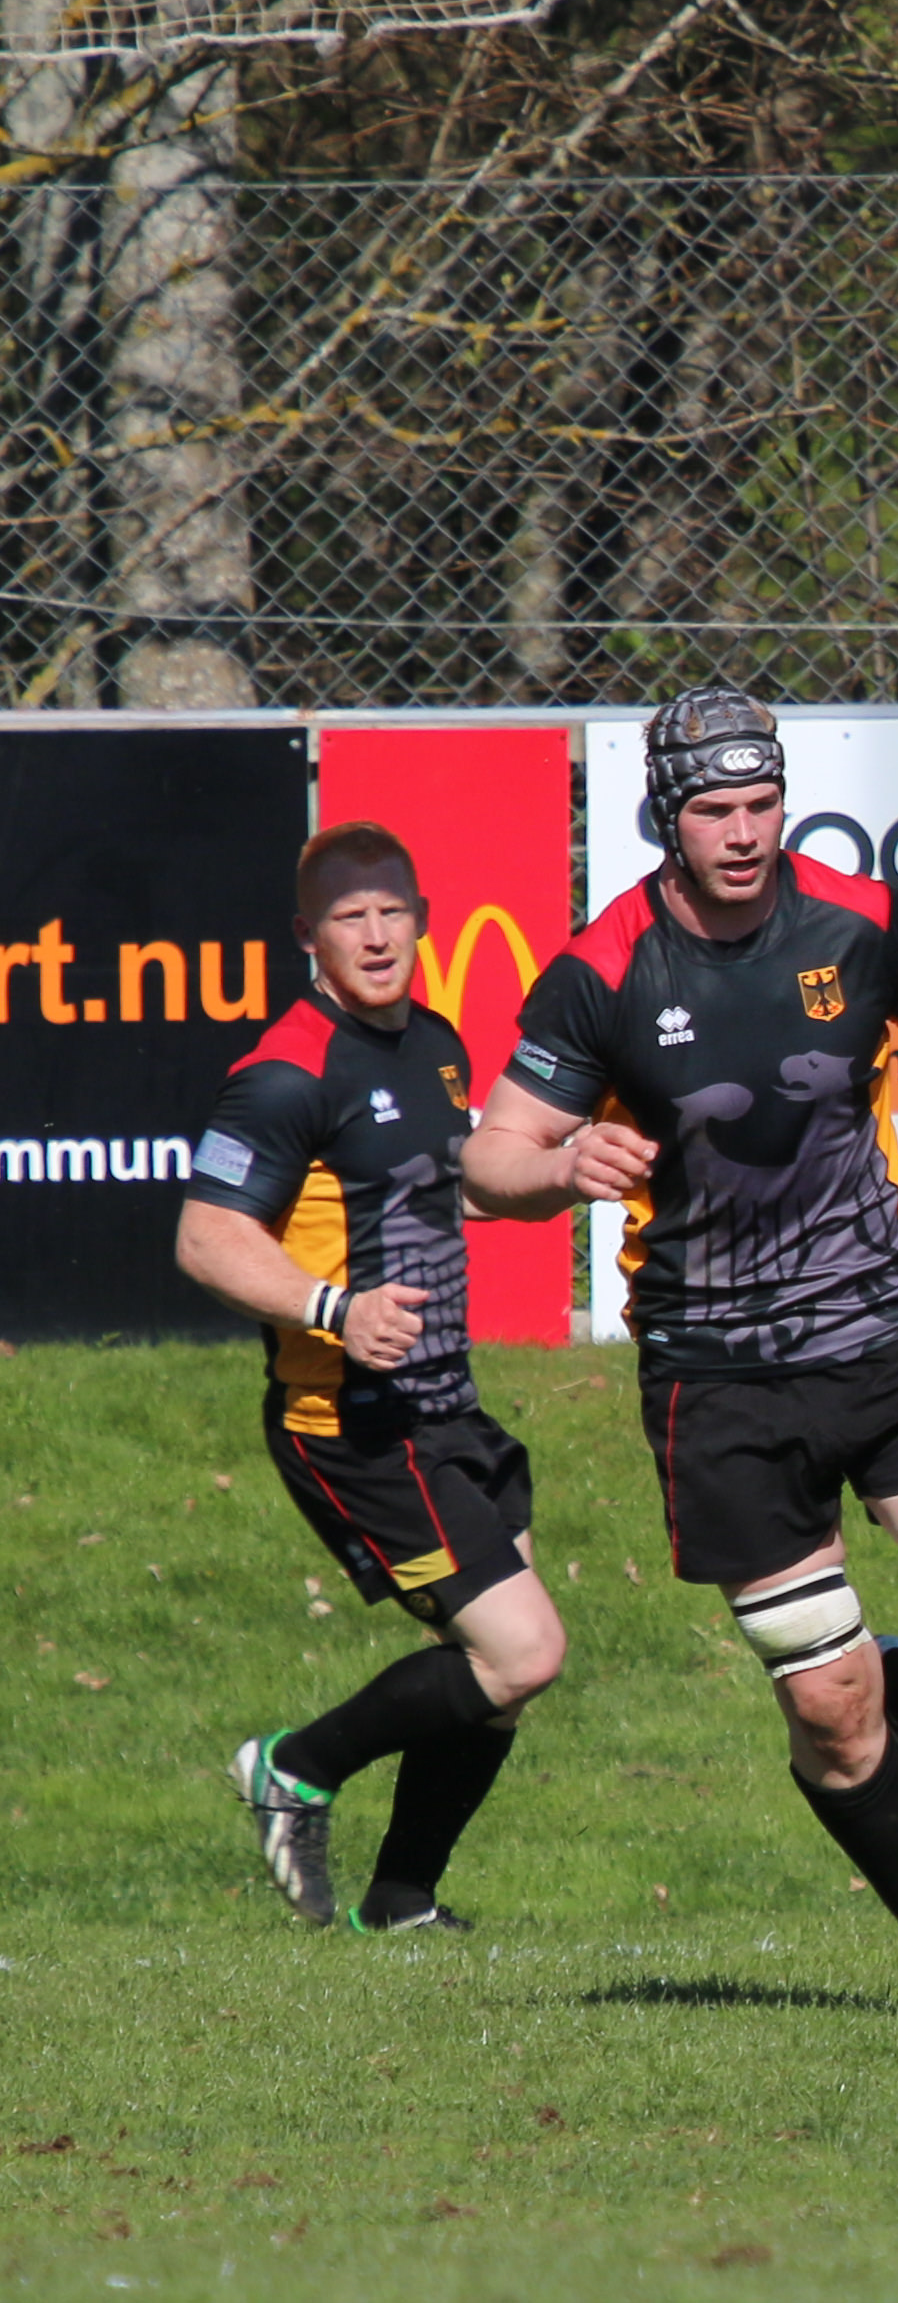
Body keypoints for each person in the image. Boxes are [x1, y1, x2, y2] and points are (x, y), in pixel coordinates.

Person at [463, 684, 898, 2022]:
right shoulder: (604, 969)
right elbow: (488, 1159)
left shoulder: (857, 917)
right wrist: (559, 1164)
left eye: (762, 804)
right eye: (715, 811)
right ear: (664, 819)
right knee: (832, 1709)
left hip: (887, 1327)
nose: (743, 833)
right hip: (716, 1375)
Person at [179, 823, 570, 1937]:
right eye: (350, 917)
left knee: (493, 1670)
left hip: (447, 1405)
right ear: (309, 936)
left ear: (423, 919)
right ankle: (296, 1766)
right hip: (347, 1421)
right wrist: (335, 1311)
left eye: (392, 910)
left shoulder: (435, 1043)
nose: (377, 934)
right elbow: (206, 1239)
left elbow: (452, 1190)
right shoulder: (283, 1075)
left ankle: (401, 1899)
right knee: (522, 1651)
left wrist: (566, 1172)